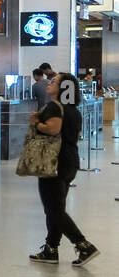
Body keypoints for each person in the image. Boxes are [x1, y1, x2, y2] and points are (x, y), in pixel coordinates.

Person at [28, 72, 99, 267]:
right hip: (70, 160)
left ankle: (83, 244)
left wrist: (36, 122)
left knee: (53, 208)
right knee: (56, 207)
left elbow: (52, 129)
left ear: (63, 88)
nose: (49, 83)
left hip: (54, 162)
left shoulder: (54, 107)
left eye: (54, 82)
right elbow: (75, 136)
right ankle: (51, 249)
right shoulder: (73, 109)